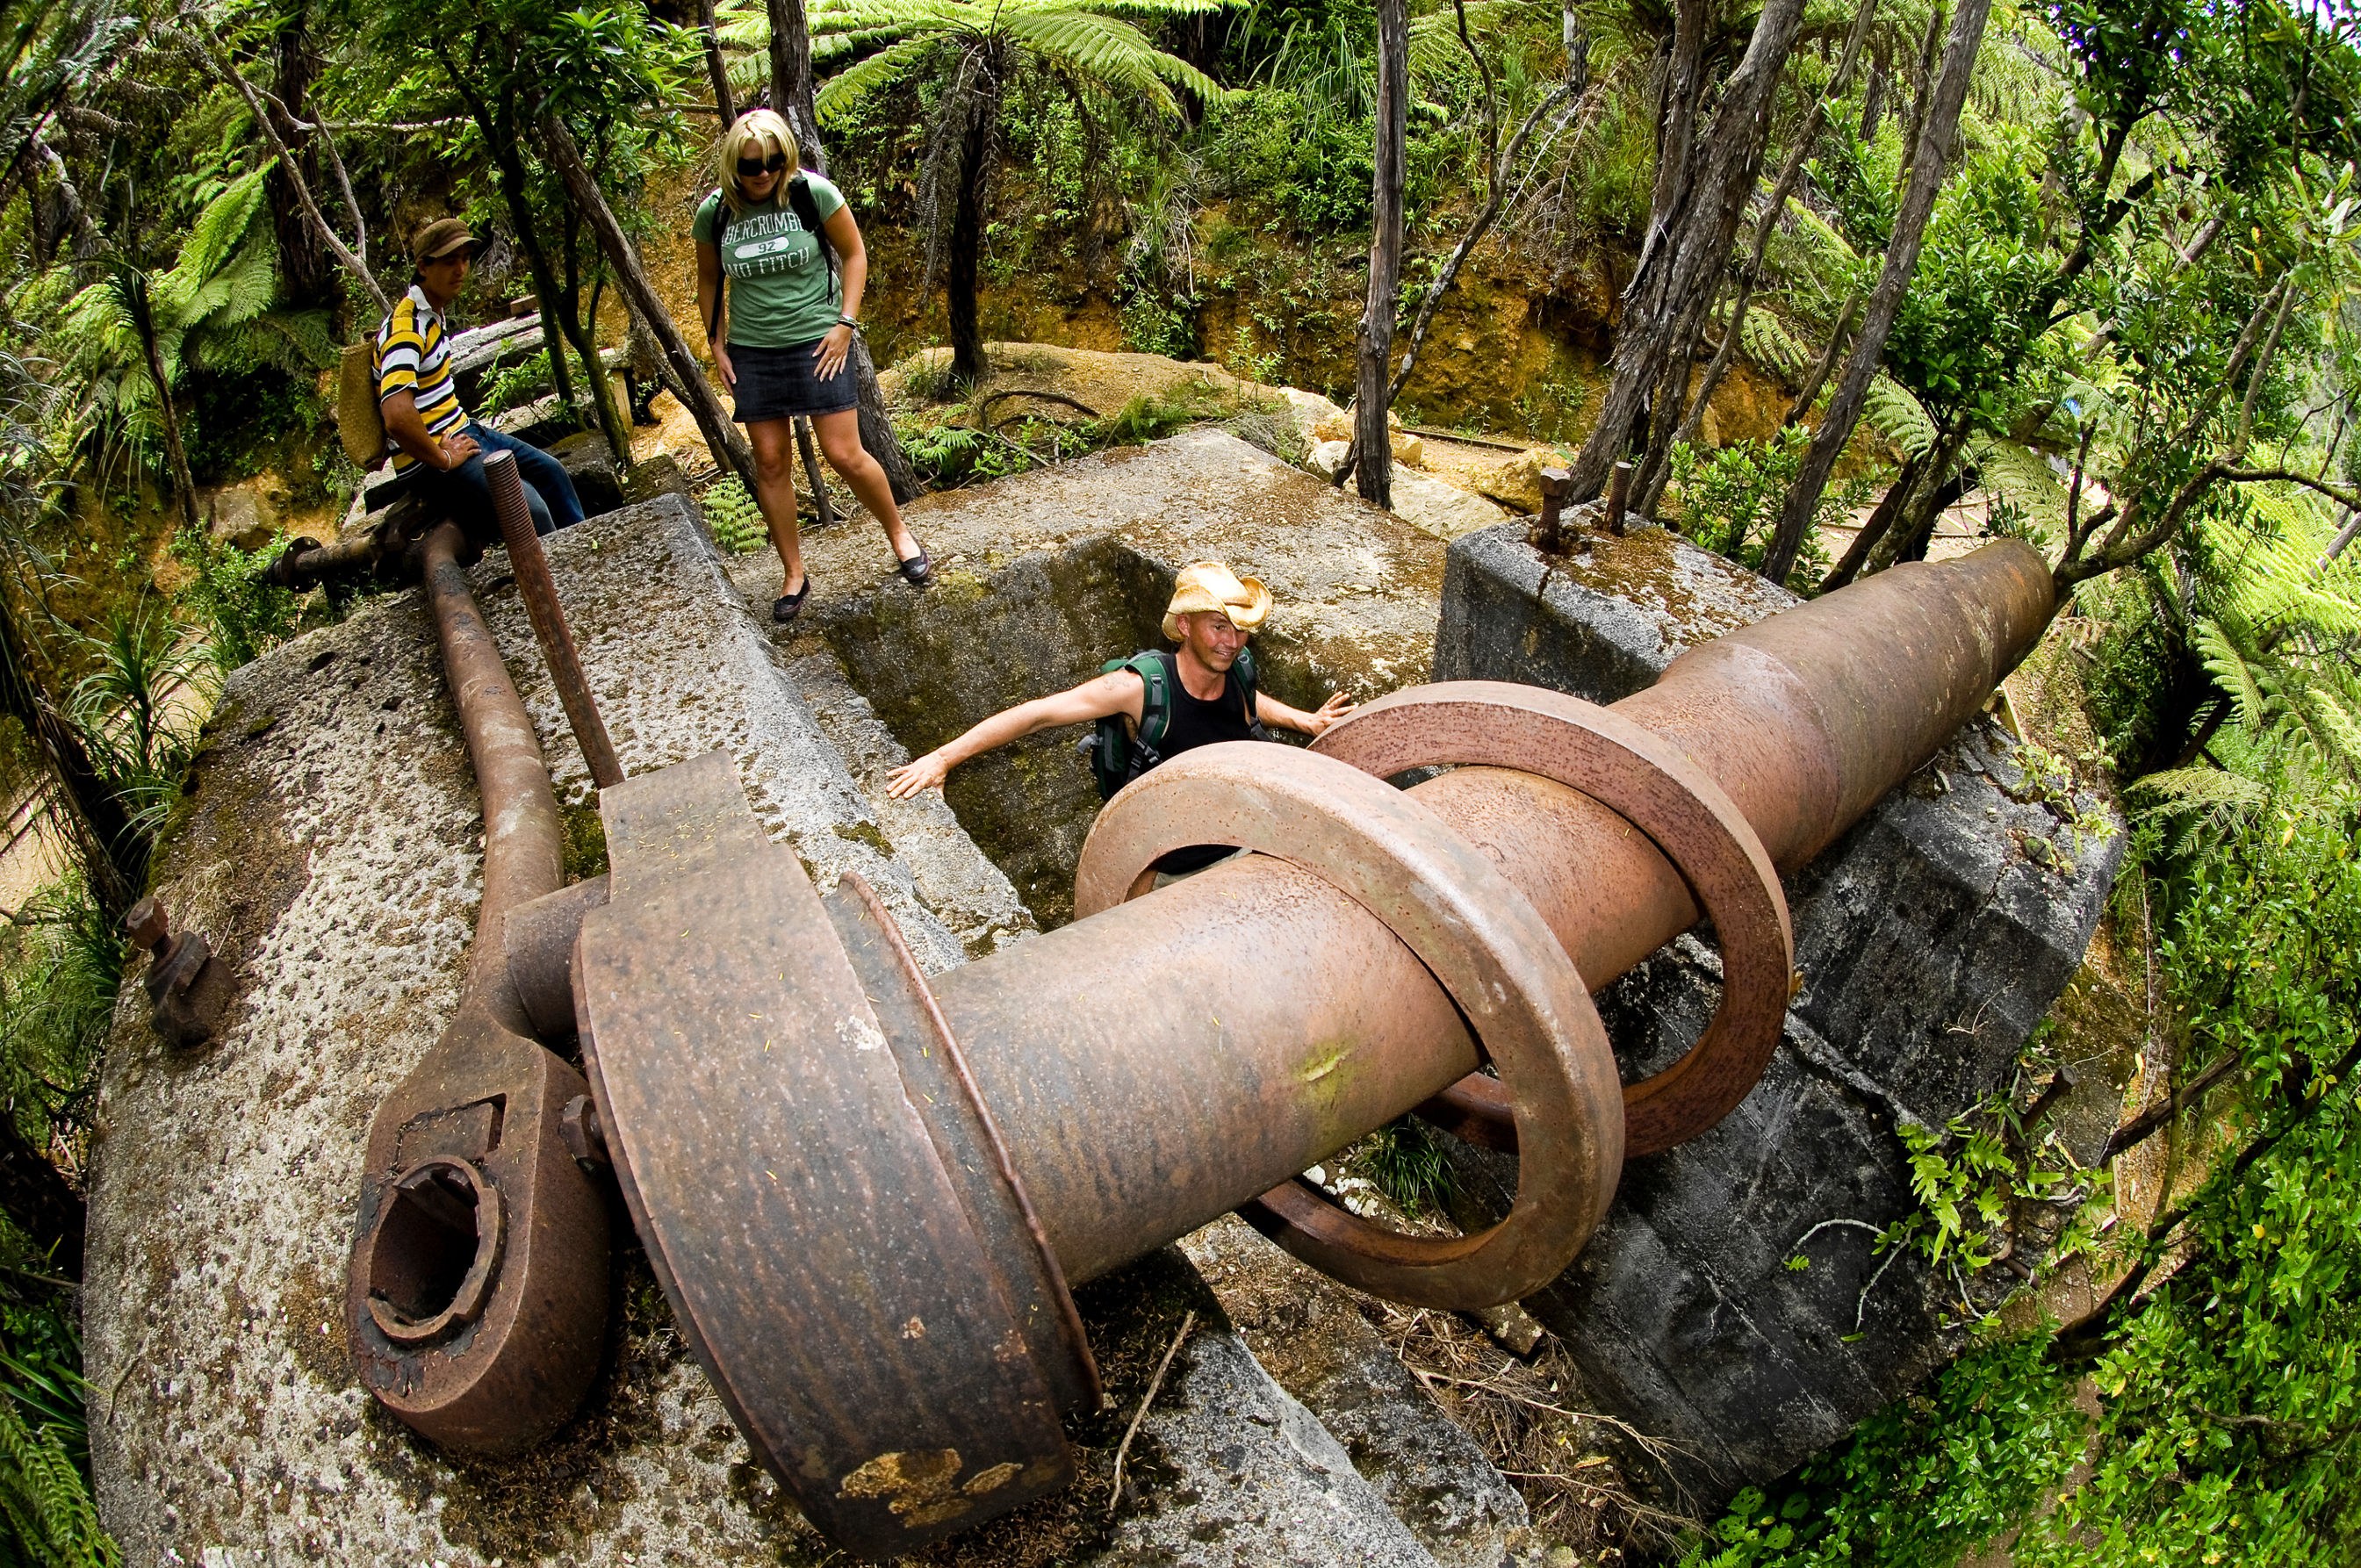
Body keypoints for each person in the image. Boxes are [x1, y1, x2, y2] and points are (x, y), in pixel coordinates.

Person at [887, 562, 1354, 871]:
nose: (1230, 642)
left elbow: (1250, 704)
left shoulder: (1237, 667)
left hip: (1247, 841)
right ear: (1186, 626)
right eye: (1217, 627)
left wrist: (1306, 721)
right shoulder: (1140, 689)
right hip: (1174, 865)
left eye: (1240, 631)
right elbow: (1037, 715)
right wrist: (944, 758)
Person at [695, 109, 930, 622]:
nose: (763, 174)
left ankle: (900, 534)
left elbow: (855, 254)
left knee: (843, 452)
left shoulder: (812, 193)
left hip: (818, 340)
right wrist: (716, 344)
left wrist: (845, 323)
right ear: (734, 165)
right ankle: (794, 572)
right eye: (751, 166)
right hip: (753, 349)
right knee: (772, 460)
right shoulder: (716, 213)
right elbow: (710, 281)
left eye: (774, 162)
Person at [375, 217, 586, 540]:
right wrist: (444, 459)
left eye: (465, 259)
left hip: (461, 431)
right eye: (449, 262)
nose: (460, 269)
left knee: (552, 474)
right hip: (428, 461)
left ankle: (584, 550)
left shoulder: (432, 314)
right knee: (531, 509)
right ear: (423, 267)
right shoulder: (407, 328)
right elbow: (397, 417)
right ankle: (554, 581)